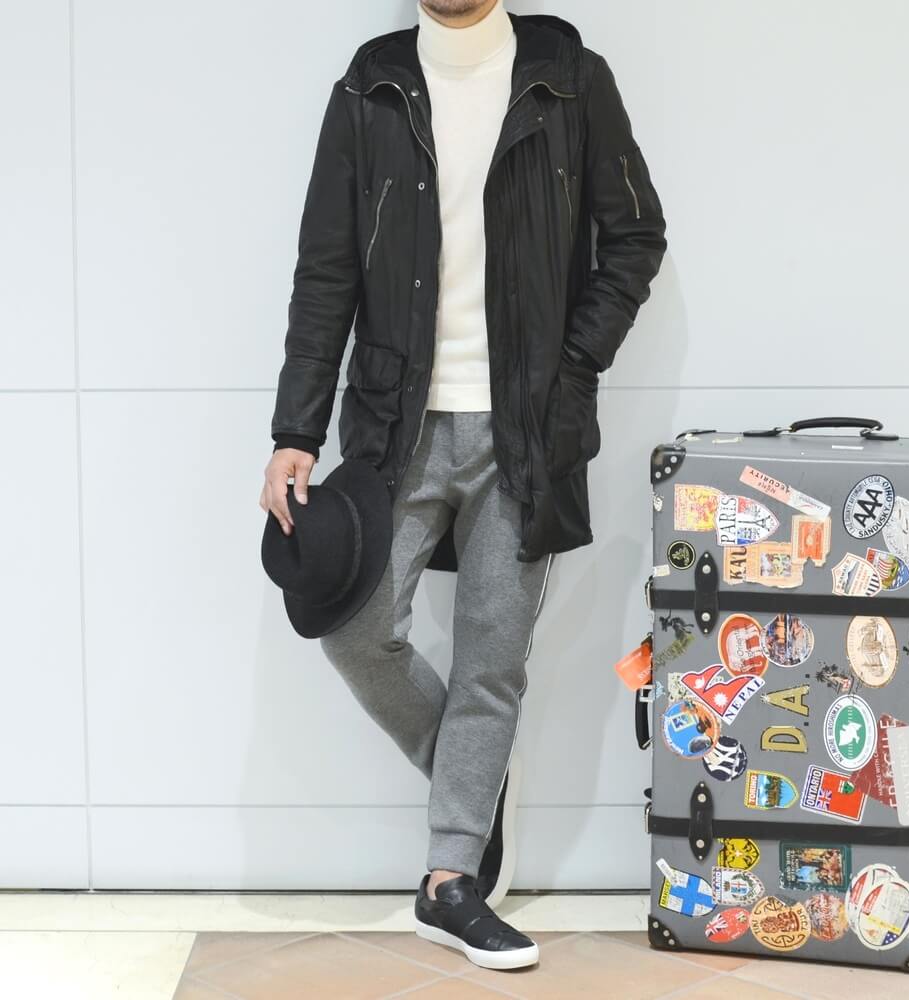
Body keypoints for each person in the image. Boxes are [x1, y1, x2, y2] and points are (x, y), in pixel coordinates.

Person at [260, 0, 667, 971]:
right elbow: (325, 270)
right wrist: (294, 431)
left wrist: (572, 367)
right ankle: (472, 783)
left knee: (492, 656)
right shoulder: (372, 84)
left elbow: (636, 236)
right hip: (393, 421)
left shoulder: (569, 77)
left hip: (528, 428)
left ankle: (449, 881)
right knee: (351, 625)